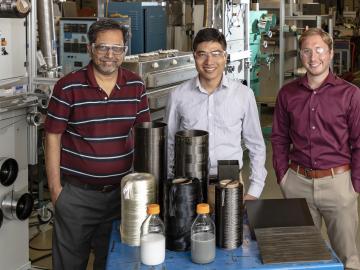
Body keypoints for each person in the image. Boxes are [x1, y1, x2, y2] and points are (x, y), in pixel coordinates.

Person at [44, 18, 150, 270]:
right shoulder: (68, 86)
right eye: (102, 47)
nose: (109, 55)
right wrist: (56, 190)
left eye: (117, 49)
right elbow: (52, 136)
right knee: (70, 263)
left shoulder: (135, 85)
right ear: (90, 48)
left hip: (120, 196)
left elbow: (143, 135)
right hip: (77, 196)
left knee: (113, 262)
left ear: (125, 51)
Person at [271, 28, 360, 269]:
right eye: (307, 51)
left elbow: (359, 143)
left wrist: (354, 185)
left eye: (320, 49)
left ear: (330, 53)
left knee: (348, 258)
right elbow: (278, 138)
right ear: (300, 55)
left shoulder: (351, 95)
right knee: (302, 256)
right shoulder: (287, 94)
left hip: (338, 184)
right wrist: (283, 177)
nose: (314, 57)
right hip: (297, 182)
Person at [165, 28, 267, 200]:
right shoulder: (178, 95)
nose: (209, 61)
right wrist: (170, 185)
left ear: (225, 56)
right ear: (194, 57)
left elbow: (256, 144)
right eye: (202, 54)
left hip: (230, 183)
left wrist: (255, 189)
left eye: (216, 53)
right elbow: (169, 143)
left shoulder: (243, 94)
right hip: (188, 185)